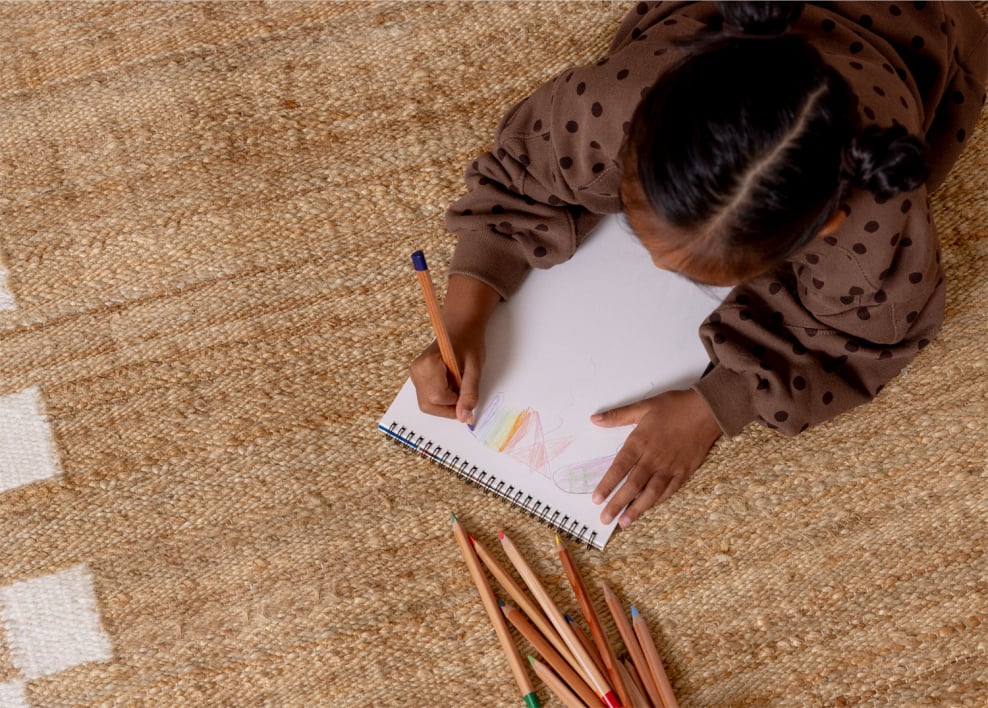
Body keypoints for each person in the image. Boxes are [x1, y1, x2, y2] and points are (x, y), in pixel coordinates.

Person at [410, 1, 988, 529]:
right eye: (641, 229)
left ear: (827, 226)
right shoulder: (617, 98)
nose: (660, 271)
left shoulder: (875, 218)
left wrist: (716, 405)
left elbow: (870, 335)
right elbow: (525, 169)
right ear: (636, 130)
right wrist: (464, 312)